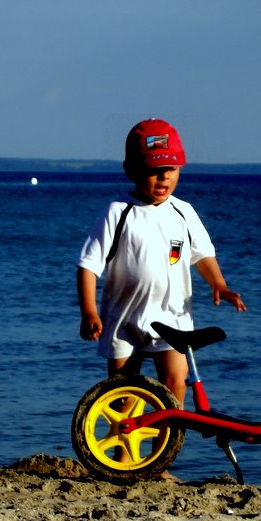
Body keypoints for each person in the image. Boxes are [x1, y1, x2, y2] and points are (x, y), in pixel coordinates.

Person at [76, 118, 246, 405]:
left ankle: (165, 444)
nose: (164, 177)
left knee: (175, 382)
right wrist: (89, 312)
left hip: (172, 317)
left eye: (171, 169)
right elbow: (88, 265)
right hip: (125, 320)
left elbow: (202, 254)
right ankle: (124, 450)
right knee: (122, 397)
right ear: (132, 170)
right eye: (154, 170)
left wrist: (219, 284)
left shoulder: (183, 212)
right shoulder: (119, 212)